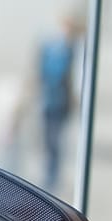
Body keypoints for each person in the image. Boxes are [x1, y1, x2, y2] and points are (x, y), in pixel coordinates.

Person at [36, 13, 83, 195]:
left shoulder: (73, 50)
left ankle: (52, 173)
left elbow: (75, 76)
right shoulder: (49, 46)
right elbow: (40, 70)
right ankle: (49, 171)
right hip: (48, 99)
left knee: (55, 139)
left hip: (61, 102)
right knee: (47, 138)